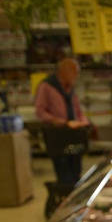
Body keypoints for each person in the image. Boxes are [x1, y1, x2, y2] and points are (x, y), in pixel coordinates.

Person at [34, 57, 89, 189]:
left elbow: (77, 109)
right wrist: (61, 122)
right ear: (64, 71)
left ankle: (76, 192)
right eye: (75, 72)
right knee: (63, 170)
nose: (77, 76)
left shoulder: (71, 88)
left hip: (74, 134)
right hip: (57, 136)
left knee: (76, 168)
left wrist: (83, 121)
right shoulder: (46, 86)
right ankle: (66, 196)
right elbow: (40, 111)